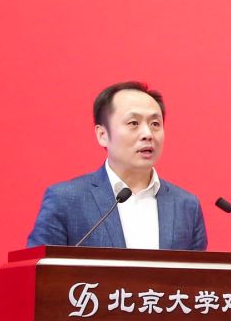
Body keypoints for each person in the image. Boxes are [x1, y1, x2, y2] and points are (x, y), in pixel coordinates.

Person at [26, 81, 208, 250]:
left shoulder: (186, 206)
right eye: (133, 123)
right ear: (102, 135)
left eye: (155, 124)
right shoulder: (65, 200)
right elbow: (37, 270)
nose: (147, 134)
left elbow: (198, 274)